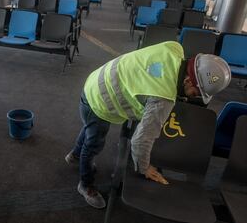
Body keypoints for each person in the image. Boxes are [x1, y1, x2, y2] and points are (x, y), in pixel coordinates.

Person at [65, 41, 231, 209]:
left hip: (96, 80)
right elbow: (140, 141)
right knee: (93, 144)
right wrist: (145, 168)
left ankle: (75, 156)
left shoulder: (174, 49)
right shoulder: (162, 99)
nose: (192, 98)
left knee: (91, 128)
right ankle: (85, 185)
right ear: (188, 81)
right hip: (99, 99)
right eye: (195, 93)